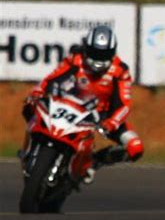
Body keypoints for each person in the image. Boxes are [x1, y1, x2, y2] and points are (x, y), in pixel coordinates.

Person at [22, 25, 144, 182]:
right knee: (30, 106)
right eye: (95, 52)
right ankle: (29, 150)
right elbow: (52, 77)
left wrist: (111, 123)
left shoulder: (120, 71)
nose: (98, 59)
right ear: (87, 48)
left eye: (104, 54)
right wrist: (37, 92)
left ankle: (94, 162)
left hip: (101, 115)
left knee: (135, 147)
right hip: (68, 105)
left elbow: (124, 103)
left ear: (112, 53)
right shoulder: (76, 58)